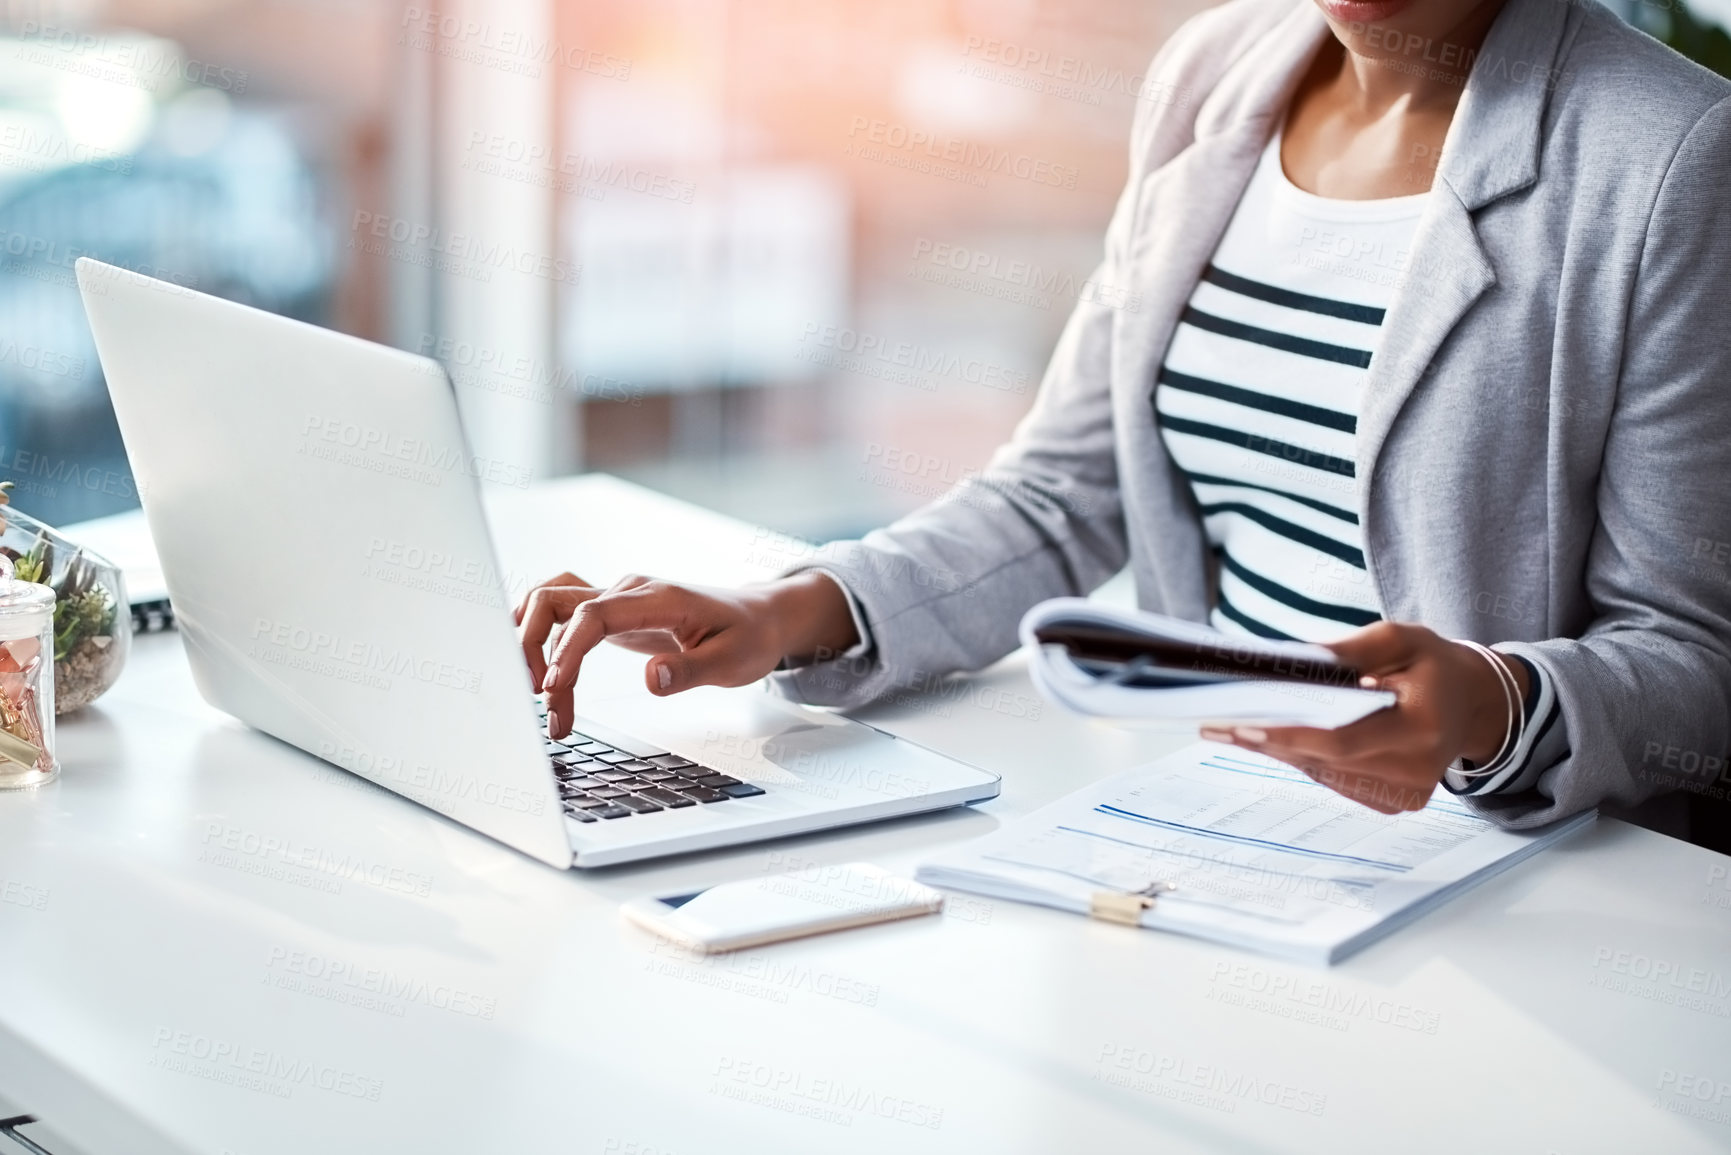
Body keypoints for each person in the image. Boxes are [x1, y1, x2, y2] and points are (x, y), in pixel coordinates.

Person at [517, 0, 1731, 830]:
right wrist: (794, 608)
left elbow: (1695, 665)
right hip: (1204, 816)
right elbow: (1066, 492)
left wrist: (1494, 702)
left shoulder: (1668, 153)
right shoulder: (1214, 75)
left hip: (1489, 862)